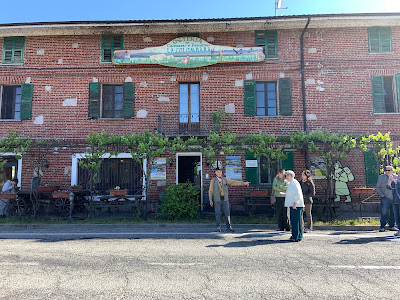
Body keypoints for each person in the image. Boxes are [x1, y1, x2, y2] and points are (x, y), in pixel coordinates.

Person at [209, 167, 250, 232]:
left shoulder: (225, 179)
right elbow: (210, 190)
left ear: (222, 172)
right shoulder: (213, 180)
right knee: (217, 213)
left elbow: (233, 182)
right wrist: (210, 199)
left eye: (220, 172)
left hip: (225, 199)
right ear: (215, 173)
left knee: (227, 212)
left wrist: (243, 183)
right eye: (218, 172)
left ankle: (229, 226)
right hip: (217, 199)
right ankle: (218, 227)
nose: (219, 173)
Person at [282, 170, 304, 242]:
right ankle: (298, 235)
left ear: (291, 176)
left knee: (295, 221)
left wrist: (295, 202)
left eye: (287, 176)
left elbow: (297, 194)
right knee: (297, 221)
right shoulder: (292, 183)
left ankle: (296, 236)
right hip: (295, 204)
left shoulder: (293, 183)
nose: (286, 177)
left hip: (295, 205)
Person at [376, 166, 396, 232]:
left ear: (392, 171)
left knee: (393, 213)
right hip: (385, 198)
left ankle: (392, 226)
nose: (387, 172)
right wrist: (381, 194)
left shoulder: (395, 177)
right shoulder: (381, 177)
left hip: (394, 198)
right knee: (384, 212)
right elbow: (378, 187)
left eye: (389, 170)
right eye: (386, 170)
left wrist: (393, 180)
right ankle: (382, 227)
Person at [388, 170, 400, 236]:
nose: (398, 175)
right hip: (395, 200)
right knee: (397, 216)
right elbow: (389, 188)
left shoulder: (397, 182)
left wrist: (396, 182)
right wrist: (389, 182)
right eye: (398, 173)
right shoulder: (396, 181)